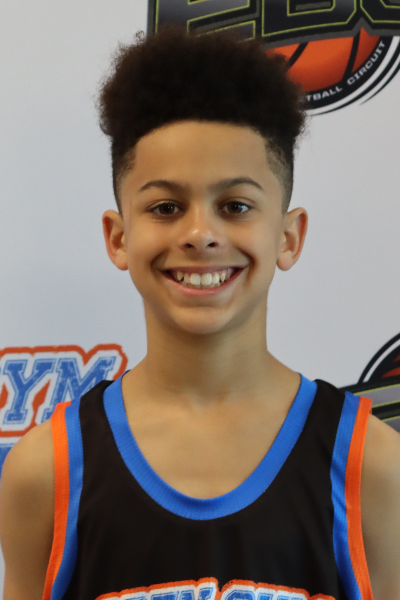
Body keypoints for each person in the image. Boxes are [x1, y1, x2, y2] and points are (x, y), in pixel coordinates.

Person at [0, 26, 399, 600]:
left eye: (235, 205)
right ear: (118, 237)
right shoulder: (47, 472)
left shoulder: (371, 467)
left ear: (288, 236)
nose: (199, 234)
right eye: (166, 207)